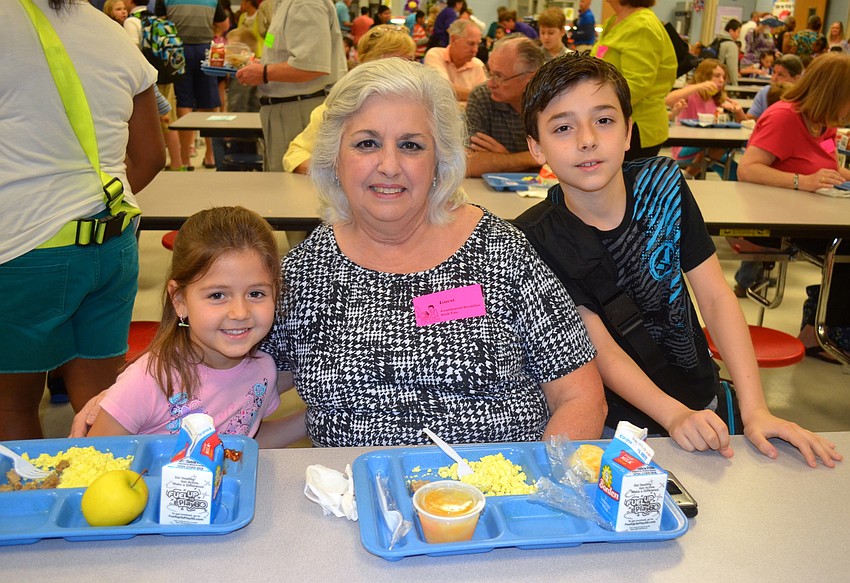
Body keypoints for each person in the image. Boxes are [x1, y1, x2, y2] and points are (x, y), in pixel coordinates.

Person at [516, 52, 842, 468]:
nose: (586, 139)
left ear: (629, 130)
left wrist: (754, 407)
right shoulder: (535, 236)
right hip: (617, 427)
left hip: (700, 398)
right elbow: (598, 348)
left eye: (604, 120)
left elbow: (716, 296)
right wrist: (674, 415)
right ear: (536, 147)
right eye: (563, 127)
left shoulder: (663, 184)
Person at [264, 58, 607, 447]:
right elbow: (233, 389)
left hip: (498, 494)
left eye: (411, 145)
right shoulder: (304, 274)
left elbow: (581, 396)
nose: (389, 165)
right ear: (334, 158)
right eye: (367, 143)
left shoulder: (499, 251)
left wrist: (539, 490)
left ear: (440, 162)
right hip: (354, 498)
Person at [1, 0, 164, 440]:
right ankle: (108, 499)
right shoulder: (113, 35)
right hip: (112, 245)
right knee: (104, 402)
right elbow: (151, 157)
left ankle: (36, 506)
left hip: (22, 252)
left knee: (12, 403)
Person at [86, 207, 281, 437]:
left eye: (256, 294)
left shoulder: (263, 370)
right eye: (217, 295)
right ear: (179, 300)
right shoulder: (148, 380)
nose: (240, 312)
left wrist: (314, 416)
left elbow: (243, 444)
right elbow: (96, 458)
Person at [737, 52, 850, 363]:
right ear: (834, 94)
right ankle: (823, 330)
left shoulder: (822, 123)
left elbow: (828, 168)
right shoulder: (784, 117)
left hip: (818, 214)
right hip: (775, 220)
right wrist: (803, 181)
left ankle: (822, 324)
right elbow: (747, 169)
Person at [283, 24, 416, 174]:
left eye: (410, 60)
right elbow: (295, 154)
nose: (407, 69)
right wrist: (332, 174)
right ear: (368, 64)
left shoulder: (423, 108)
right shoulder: (336, 109)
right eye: (396, 62)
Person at [235, 0, 346, 172]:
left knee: (290, 189)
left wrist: (264, 72)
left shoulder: (305, 4)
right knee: (280, 183)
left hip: (299, 110)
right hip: (288, 108)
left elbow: (312, 65)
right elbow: (292, 55)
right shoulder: (285, 4)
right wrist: (261, 66)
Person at [592, 0, 677, 160]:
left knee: (626, 184)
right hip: (612, 120)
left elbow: (636, 86)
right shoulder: (614, 21)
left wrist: (592, 105)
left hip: (637, 127)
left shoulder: (642, 25)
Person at [155, 0, 228, 170]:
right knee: (209, 105)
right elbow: (224, 24)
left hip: (178, 50)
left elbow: (160, 23)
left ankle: (185, 159)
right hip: (205, 49)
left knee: (184, 102)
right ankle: (211, 156)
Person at [465, 35, 544, 177]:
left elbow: (564, 166)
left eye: (499, 76)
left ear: (530, 79)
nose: (490, 83)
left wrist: (503, 159)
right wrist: (530, 158)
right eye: (489, 72)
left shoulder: (552, 102)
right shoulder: (483, 97)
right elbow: (468, 164)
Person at [666, 59, 746, 179]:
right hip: (686, 146)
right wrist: (699, 86)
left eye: (723, 77)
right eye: (717, 76)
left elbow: (745, 124)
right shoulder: (693, 93)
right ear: (705, 76)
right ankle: (688, 175)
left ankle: (687, 175)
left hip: (711, 148)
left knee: (737, 172)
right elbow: (668, 100)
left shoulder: (719, 99)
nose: (721, 81)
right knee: (719, 144)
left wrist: (738, 111)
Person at [424, 18, 487, 103]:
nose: (475, 50)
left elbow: (485, 98)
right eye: (471, 44)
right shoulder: (435, 55)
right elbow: (442, 89)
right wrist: (475, 96)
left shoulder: (478, 65)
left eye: (478, 44)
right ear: (453, 39)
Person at [745, 53, 802, 119]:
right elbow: (750, 119)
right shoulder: (765, 92)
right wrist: (739, 113)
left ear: (796, 79)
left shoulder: (803, 98)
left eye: (780, 75)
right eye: (774, 72)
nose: (774, 78)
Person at [710, 19, 742, 86]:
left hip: (712, 78)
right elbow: (732, 67)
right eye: (738, 32)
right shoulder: (731, 45)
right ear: (731, 31)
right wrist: (735, 85)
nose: (739, 35)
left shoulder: (717, 40)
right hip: (723, 81)